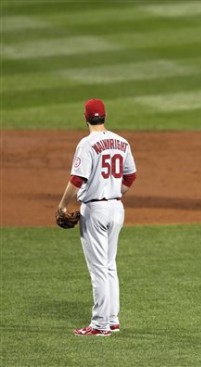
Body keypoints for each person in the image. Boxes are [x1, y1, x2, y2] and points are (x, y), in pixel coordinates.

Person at [57, 99, 137, 336]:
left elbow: (76, 180)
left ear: (85, 117)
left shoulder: (87, 143)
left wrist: (62, 206)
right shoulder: (122, 142)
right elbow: (130, 177)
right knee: (109, 265)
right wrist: (113, 193)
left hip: (95, 211)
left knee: (99, 269)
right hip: (116, 209)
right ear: (105, 116)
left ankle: (100, 325)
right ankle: (112, 319)